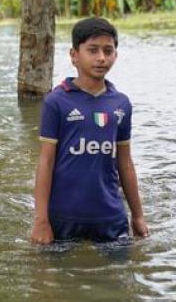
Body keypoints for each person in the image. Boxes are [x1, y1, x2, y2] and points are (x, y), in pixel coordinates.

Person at [30, 17, 149, 245]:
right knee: (57, 277)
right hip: (63, 218)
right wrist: (41, 220)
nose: (101, 58)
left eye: (108, 50)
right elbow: (46, 162)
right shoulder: (56, 102)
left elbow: (125, 163)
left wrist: (138, 216)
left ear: (116, 55)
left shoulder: (121, 104)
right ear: (74, 55)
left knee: (118, 278)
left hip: (110, 216)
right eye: (92, 50)